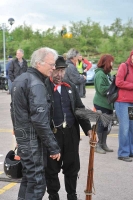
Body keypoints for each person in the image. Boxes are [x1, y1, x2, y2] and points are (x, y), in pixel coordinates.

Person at [10, 47, 61, 200]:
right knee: (37, 183)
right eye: (51, 64)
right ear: (39, 63)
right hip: (32, 141)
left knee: (28, 179)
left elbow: (14, 111)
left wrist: (19, 136)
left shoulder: (21, 79)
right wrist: (53, 147)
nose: (53, 68)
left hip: (24, 138)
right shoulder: (36, 84)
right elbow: (39, 120)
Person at [45, 56, 92, 200]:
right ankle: (53, 195)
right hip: (53, 134)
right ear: (52, 70)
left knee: (72, 167)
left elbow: (79, 108)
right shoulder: (43, 86)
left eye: (62, 71)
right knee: (51, 169)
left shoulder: (70, 86)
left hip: (71, 133)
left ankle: (72, 195)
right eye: (57, 71)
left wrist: (88, 130)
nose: (60, 74)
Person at [93, 54, 114, 154]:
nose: (112, 64)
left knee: (106, 125)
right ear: (106, 62)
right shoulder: (100, 74)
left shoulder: (106, 74)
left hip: (107, 103)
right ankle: (98, 145)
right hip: (101, 103)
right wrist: (114, 87)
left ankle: (103, 144)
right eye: (111, 61)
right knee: (101, 124)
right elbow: (102, 90)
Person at [114, 50, 133, 162]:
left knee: (131, 127)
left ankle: (130, 151)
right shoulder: (124, 66)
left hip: (131, 103)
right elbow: (119, 82)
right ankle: (123, 153)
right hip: (122, 102)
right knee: (125, 128)